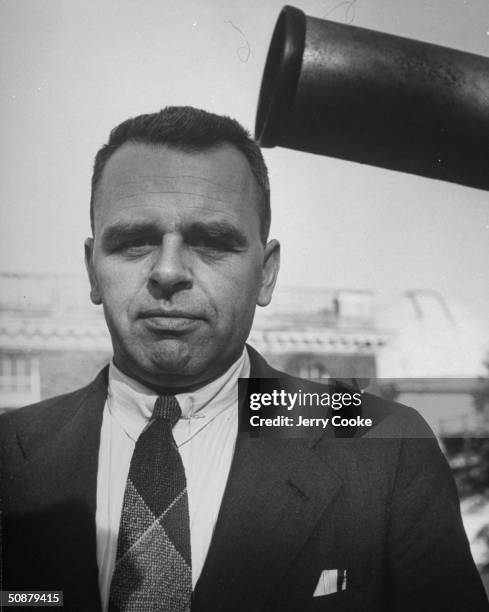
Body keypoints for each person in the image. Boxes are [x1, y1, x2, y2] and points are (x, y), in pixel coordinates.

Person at [1, 107, 487, 612]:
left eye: (211, 243)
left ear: (266, 274)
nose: (168, 271)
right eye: (134, 241)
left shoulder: (382, 442)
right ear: (93, 270)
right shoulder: (9, 455)